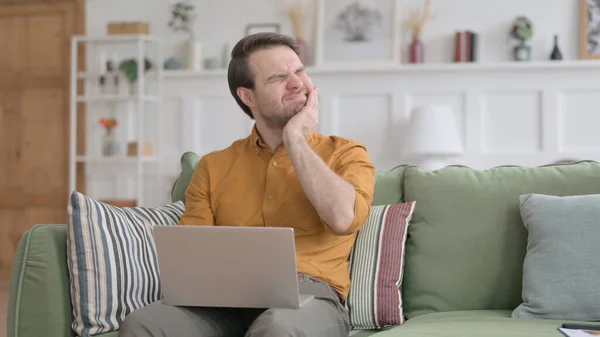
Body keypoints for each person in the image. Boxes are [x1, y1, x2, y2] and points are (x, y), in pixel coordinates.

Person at [119, 32, 376, 337]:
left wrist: (295, 139)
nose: (297, 82)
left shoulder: (346, 153)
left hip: (307, 300)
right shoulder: (212, 167)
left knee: (279, 328)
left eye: (300, 71)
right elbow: (192, 259)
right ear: (248, 96)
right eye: (279, 77)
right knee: (144, 323)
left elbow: (343, 217)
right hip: (221, 304)